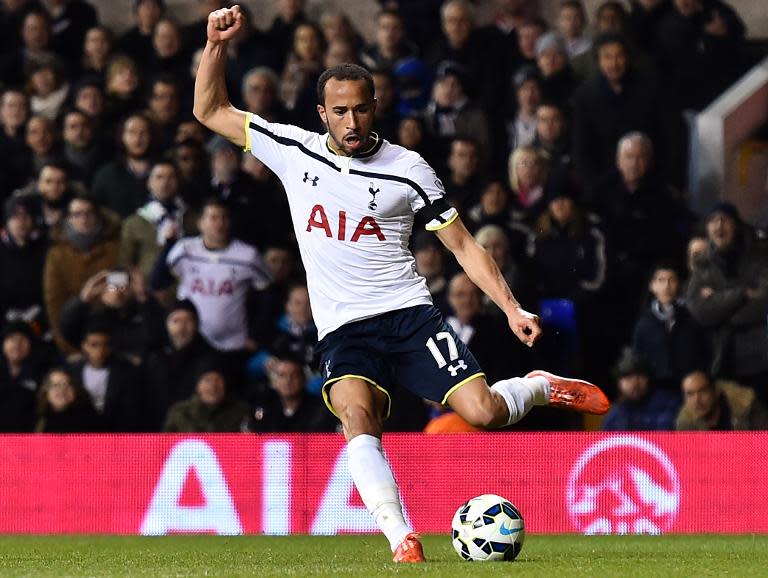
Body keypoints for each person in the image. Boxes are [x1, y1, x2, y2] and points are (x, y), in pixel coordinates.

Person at [193, 6, 609, 563]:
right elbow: (210, 109)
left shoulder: (409, 169)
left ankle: (537, 385)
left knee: (483, 412)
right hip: (343, 328)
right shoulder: (290, 148)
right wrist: (216, 45)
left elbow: (462, 245)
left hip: (409, 315)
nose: (352, 122)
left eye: (361, 109)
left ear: (375, 107)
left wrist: (510, 309)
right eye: (339, 111)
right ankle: (401, 537)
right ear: (322, 113)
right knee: (357, 417)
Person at [686, 203, 768, 395]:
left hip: (760, 359)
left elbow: (763, 302)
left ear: (736, 225)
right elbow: (699, 310)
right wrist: (741, 294)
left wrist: (719, 306)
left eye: (725, 219)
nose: (719, 225)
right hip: (720, 359)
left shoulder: (760, 257)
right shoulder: (703, 266)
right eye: (713, 220)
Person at [144, 299, 222, 430]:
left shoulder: (210, 358)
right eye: (176, 321)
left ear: (196, 324)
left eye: (188, 321)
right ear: (166, 325)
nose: (182, 327)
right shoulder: (155, 356)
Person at [632, 264, 710, 391]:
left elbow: (704, 353)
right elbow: (638, 359)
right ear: (652, 286)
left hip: (689, 390)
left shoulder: (691, 318)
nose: (667, 286)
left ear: (678, 284)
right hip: (656, 391)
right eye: (661, 280)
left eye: (672, 280)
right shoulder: (644, 324)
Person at [248, 355, 337, 433]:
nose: (288, 381)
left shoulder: (320, 409)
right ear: (274, 381)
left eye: (294, 375)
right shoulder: (266, 408)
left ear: (303, 379)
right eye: (282, 375)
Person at [601, 347, 680, 431]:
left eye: (639, 376)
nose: (635, 383)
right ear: (619, 383)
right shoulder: (614, 415)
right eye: (628, 378)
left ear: (648, 378)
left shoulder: (667, 404)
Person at [676, 370, 768, 431]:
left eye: (703, 392)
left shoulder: (747, 406)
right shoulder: (685, 422)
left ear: (716, 392)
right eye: (690, 394)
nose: (697, 400)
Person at [163, 368, 250, 433]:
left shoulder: (239, 412)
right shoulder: (179, 412)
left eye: (218, 380)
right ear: (198, 385)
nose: (213, 386)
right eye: (208, 380)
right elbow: (166, 443)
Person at [35, 367, 103, 433]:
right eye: (55, 385)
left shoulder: (91, 420)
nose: (62, 390)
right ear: (46, 391)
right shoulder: (36, 419)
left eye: (67, 384)